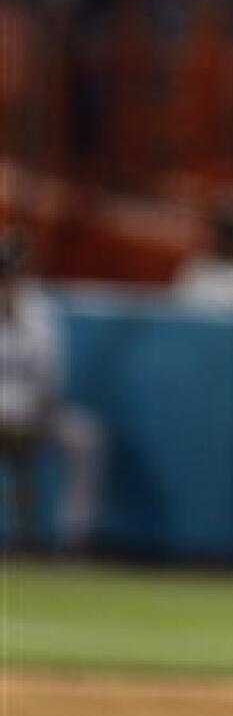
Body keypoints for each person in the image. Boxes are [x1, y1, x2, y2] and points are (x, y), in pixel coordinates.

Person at [0, 233, 105, 554]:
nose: (9, 280)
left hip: (35, 415)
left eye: (13, 273)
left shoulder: (40, 311)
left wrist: (31, 414)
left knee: (86, 437)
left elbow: (50, 376)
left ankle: (74, 538)